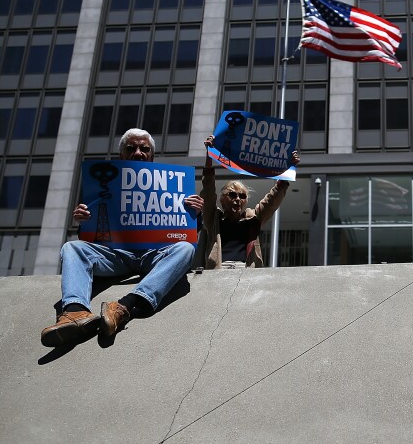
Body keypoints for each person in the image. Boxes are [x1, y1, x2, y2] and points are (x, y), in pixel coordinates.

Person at [40, 128, 204, 347]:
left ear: (152, 156)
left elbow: (188, 235)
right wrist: (84, 220)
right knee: (72, 247)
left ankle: (124, 307)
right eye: (131, 148)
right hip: (116, 255)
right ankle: (75, 312)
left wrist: (196, 215)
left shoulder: (173, 187)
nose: (138, 153)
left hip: (154, 255)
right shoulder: (102, 186)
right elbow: (90, 237)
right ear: (121, 156)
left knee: (185, 249)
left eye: (144, 149)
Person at [195, 136, 300, 269]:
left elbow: (272, 200)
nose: (238, 199)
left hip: (245, 272)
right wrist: (209, 156)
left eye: (242, 196)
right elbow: (208, 192)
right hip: (218, 273)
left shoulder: (253, 218)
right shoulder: (213, 219)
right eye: (232, 195)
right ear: (222, 200)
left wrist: (289, 168)